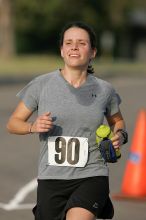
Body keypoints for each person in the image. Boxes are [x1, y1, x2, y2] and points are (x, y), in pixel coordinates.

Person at [7, 21, 128, 220]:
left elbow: (118, 122)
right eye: (69, 42)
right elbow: (13, 123)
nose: (74, 47)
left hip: (92, 173)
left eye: (82, 43)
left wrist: (119, 136)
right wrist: (32, 126)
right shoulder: (41, 85)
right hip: (51, 177)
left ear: (93, 52)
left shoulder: (105, 90)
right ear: (62, 51)